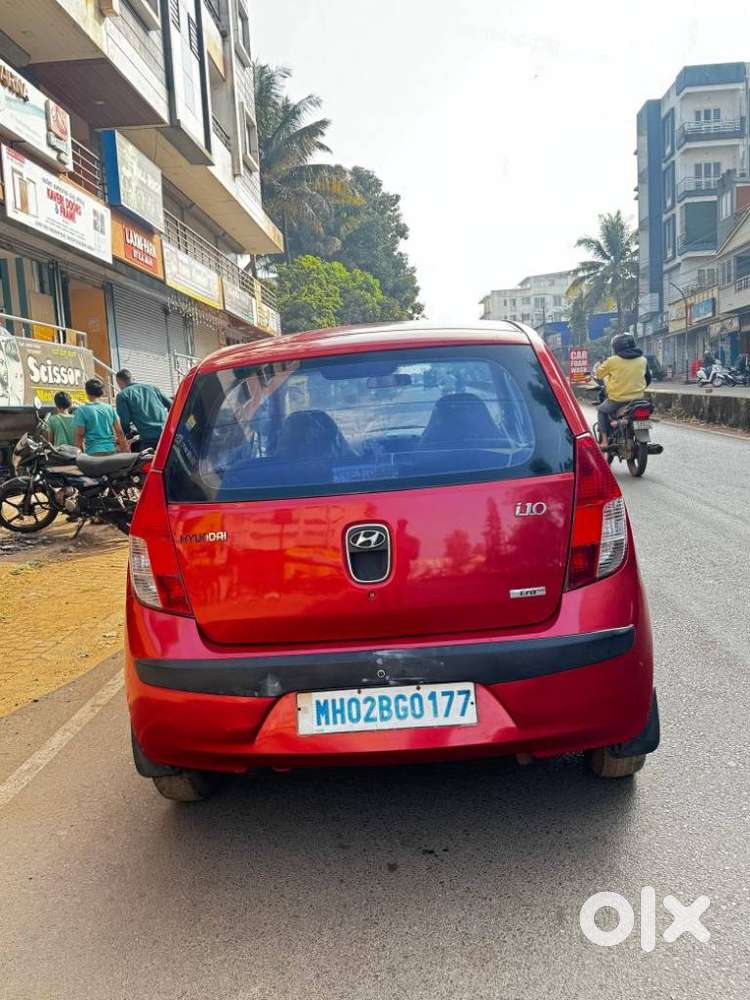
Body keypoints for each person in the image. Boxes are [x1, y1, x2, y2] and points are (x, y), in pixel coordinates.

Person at [594, 333, 651, 449]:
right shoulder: (643, 360)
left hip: (617, 400)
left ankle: (604, 441)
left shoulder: (612, 361)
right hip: (638, 399)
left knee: (601, 410)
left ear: (615, 347)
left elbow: (598, 375)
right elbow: (648, 379)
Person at [115, 369, 172, 451]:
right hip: (168, 433)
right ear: (132, 378)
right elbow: (171, 405)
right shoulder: (152, 388)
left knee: (143, 461)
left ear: (119, 382)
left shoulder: (122, 395)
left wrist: (127, 433)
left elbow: (125, 421)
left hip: (150, 439)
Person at [73, 378, 128, 455]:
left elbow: (80, 434)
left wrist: (77, 453)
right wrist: (125, 450)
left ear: (87, 392)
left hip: (93, 452)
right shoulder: (110, 408)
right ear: (101, 392)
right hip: (111, 451)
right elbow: (119, 432)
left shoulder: (81, 410)